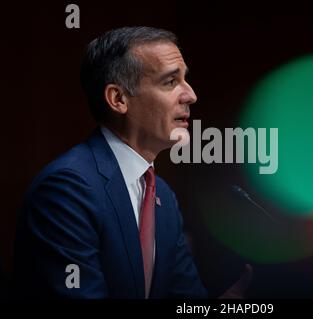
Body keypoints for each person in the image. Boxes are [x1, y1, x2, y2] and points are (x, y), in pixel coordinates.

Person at [13, 26, 251, 299]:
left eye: (185, 79)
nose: (191, 95)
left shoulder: (163, 196)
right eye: (170, 82)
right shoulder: (67, 190)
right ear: (118, 99)